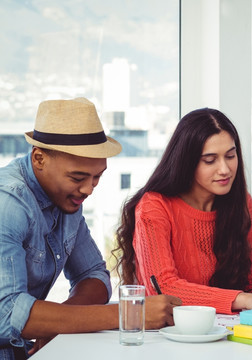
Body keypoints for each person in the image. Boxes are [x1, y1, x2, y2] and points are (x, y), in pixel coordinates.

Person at [0, 98, 182, 359]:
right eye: (78, 177)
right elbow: (6, 313)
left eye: (97, 177)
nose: (88, 189)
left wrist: (55, 325)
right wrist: (129, 314)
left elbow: (94, 275)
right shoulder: (7, 203)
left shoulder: (67, 198)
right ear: (39, 159)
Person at [114, 108, 252, 315]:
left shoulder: (242, 204)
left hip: (231, 330)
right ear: (187, 162)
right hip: (170, 335)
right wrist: (242, 299)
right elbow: (164, 289)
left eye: (230, 156)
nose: (225, 169)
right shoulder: (154, 206)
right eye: (210, 160)